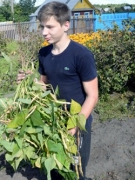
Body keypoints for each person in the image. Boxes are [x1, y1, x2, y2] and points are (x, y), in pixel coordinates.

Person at [17, 2, 98, 180]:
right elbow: (44, 85)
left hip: (77, 122)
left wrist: (75, 125)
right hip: (52, 120)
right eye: (42, 27)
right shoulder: (44, 53)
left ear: (65, 25)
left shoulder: (81, 55)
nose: (44, 32)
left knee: (76, 170)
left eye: (50, 27)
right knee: (55, 168)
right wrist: (30, 81)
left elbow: (92, 95)